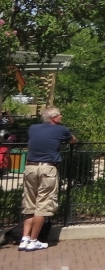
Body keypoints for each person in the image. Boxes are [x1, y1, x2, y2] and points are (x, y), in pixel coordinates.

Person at [19, 107, 76, 252]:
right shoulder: (61, 129)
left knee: (29, 204)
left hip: (30, 167)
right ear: (54, 118)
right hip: (47, 168)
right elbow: (73, 140)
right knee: (43, 205)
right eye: (59, 115)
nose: (61, 116)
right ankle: (34, 241)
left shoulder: (33, 128)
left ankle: (24, 239)